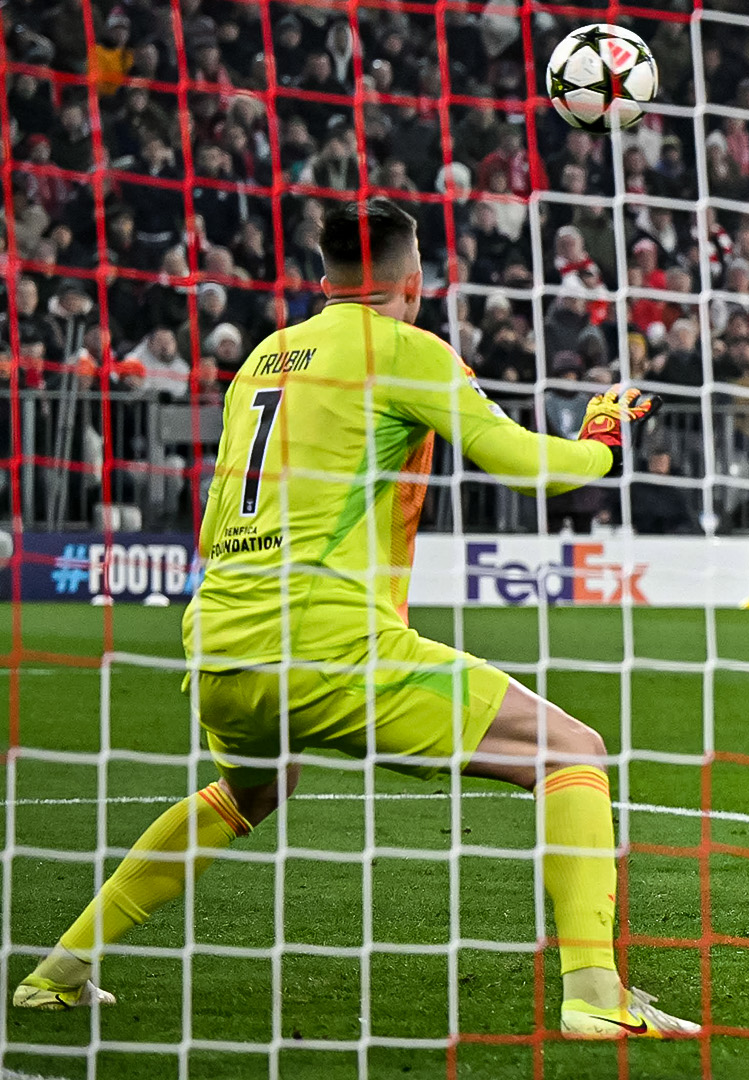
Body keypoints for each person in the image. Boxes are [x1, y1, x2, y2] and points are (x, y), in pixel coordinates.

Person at [12, 199, 697, 1041]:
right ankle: (596, 991)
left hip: (220, 645)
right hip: (327, 642)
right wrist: (601, 435)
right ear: (414, 283)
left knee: (252, 789)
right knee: (572, 752)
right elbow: (536, 470)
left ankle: (59, 972)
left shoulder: (262, 358)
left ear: (324, 279)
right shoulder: (405, 349)